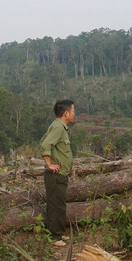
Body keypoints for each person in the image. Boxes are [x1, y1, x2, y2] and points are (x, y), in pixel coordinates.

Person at [40, 99, 75, 247]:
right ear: (66, 113)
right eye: (73, 111)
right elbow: (45, 144)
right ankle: (55, 237)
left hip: (60, 176)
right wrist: (49, 164)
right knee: (56, 206)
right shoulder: (58, 128)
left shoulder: (58, 126)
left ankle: (58, 234)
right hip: (55, 175)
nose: (74, 114)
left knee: (59, 205)